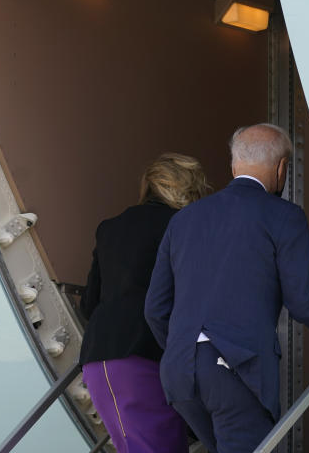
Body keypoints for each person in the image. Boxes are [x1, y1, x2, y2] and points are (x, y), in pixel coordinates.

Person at [144, 124, 309, 453]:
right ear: (283, 168)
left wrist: (185, 347)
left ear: (233, 165)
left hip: (180, 372)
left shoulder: (184, 219)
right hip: (235, 371)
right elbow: (302, 302)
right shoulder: (285, 216)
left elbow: (155, 308)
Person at [80, 152, 211, 453]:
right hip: (156, 357)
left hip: (107, 357)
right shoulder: (185, 225)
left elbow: (89, 303)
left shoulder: (110, 228)